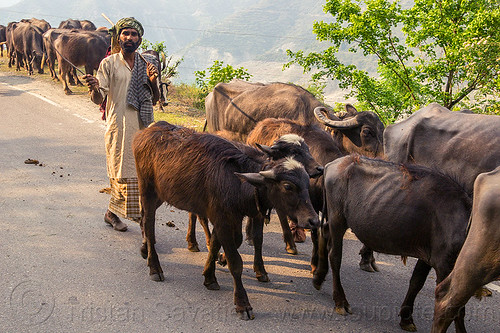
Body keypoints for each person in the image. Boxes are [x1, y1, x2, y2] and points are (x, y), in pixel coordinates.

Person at [84, 17, 159, 231]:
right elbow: (99, 99)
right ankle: (116, 213)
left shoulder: (147, 65)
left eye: (133, 34)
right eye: (125, 34)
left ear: (140, 39)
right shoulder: (108, 63)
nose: (129, 37)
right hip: (119, 126)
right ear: (119, 38)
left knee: (141, 172)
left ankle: (121, 214)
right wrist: (94, 88)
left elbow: (154, 100)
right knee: (120, 170)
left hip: (143, 128)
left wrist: (153, 83)